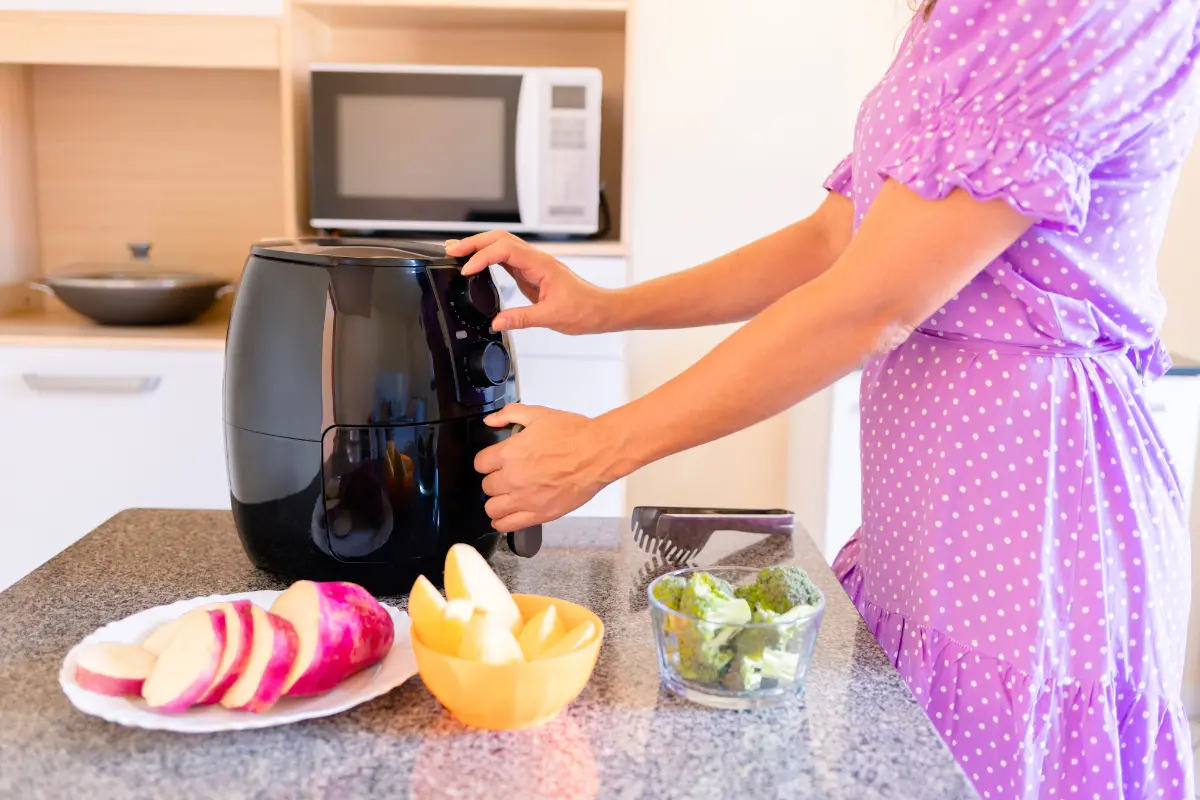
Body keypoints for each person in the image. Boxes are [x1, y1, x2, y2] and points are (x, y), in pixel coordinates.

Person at [448, 0, 1200, 796]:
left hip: (1032, 515)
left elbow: (873, 301)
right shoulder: (956, 16)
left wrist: (604, 447)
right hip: (932, 510)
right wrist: (607, 307)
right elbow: (833, 242)